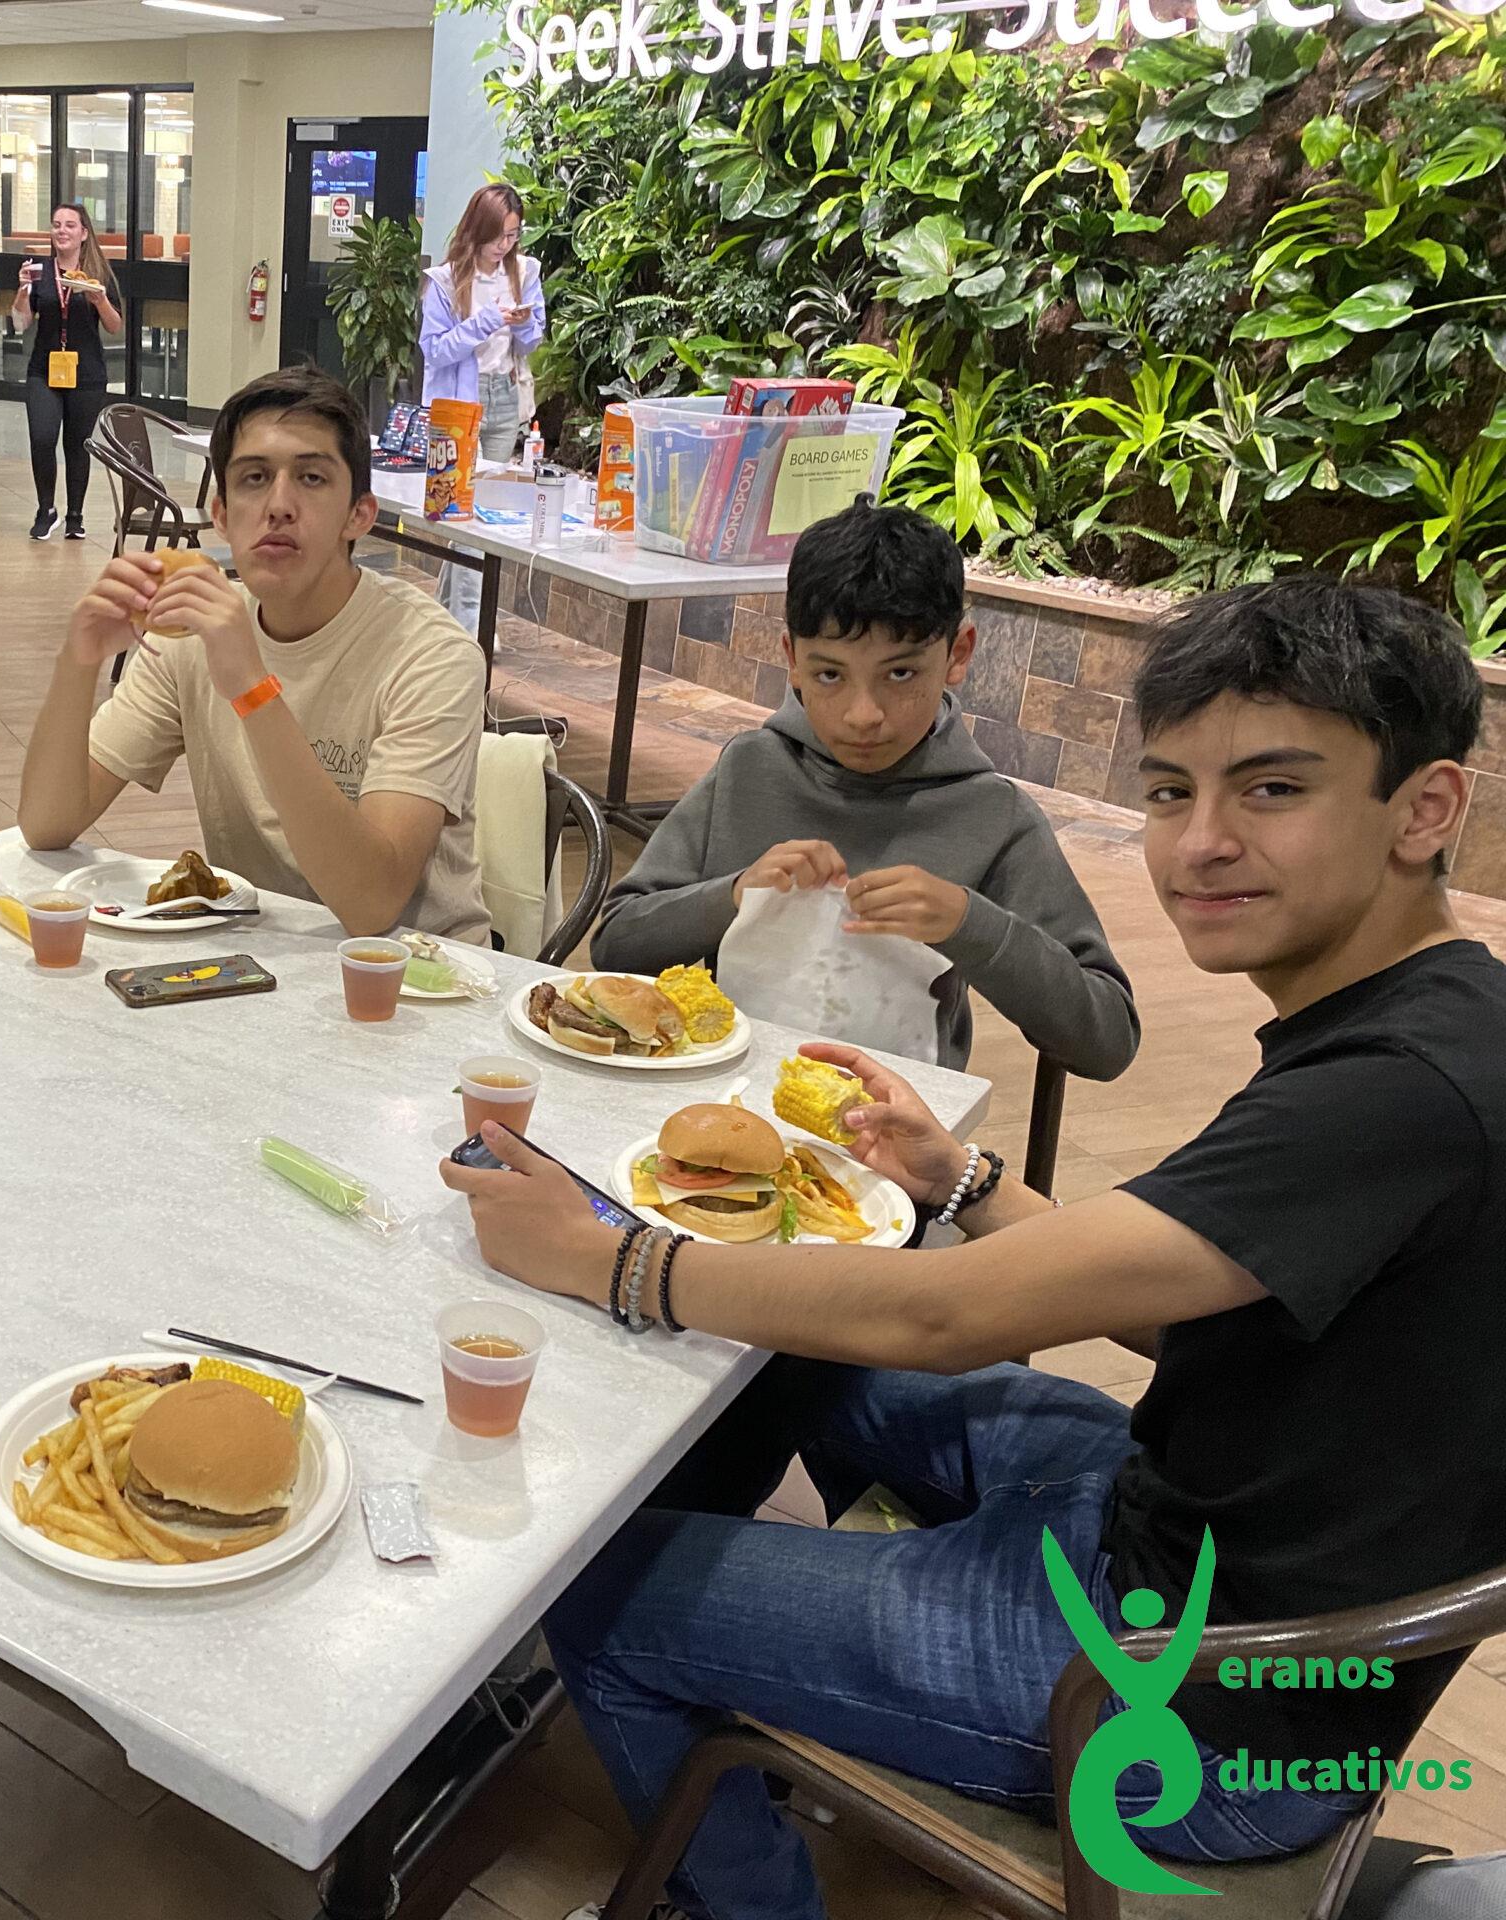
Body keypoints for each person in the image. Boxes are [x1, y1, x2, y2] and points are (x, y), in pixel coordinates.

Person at [440, 576, 1506, 1919]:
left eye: (1273, 790)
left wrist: (612, 1261)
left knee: (596, 1590)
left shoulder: (1397, 1088)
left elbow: (942, 1317)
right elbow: (1193, 1307)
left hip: (1196, 1703)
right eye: (1171, 791)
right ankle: (807, 1673)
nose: (1200, 843)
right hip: (1187, 1539)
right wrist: (967, 1177)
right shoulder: (1437, 1017)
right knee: (793, 1357)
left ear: (1425, 809)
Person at [591, 499, 1139, 1080]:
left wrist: (970, 924)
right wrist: (733, 894)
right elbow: (615, 946)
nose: (863, 715)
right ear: (792, 659)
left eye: (900, 673)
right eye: (830, 674)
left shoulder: (994, 815)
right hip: (723, 1097)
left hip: (899, 1121)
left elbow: (1107, 1043)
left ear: (957, 654)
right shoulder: (748, 769)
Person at [19, 365, 490, 943]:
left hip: (419, 969)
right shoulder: (189, 638)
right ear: (221, 515)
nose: (279, 504)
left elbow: (371, 906)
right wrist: (79, 659)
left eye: (312, 478)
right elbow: (47, 824)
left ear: (359, 515)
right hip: (263, 953)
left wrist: (251, 687)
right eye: (254, 478)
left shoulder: (433, 656)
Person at [420, 184, 543, 633]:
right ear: (477, 229)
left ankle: (449, 620)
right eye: (498, 236)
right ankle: (471, 630)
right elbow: (436, 350)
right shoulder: (446, 280)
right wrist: (488, 320)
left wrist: (525, 324)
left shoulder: (526, 272)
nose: (505, 246)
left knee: (482, 514)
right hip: (458, 405)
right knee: (461, 512)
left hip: (505, 396)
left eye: (513, 235)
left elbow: (532, 341)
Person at [11, 203, 122, 544]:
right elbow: (20, 322)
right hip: (44, 369)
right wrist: (22, 291)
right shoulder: (38, 271)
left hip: (86, 372)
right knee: (42, 438)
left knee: (77, 444)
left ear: (84, 233)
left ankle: (75, 516)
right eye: (56, 224)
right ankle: (46, 510)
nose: (62, 231)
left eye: (70, 225)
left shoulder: (98, 273)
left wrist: (99, 300)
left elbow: (115, 326)